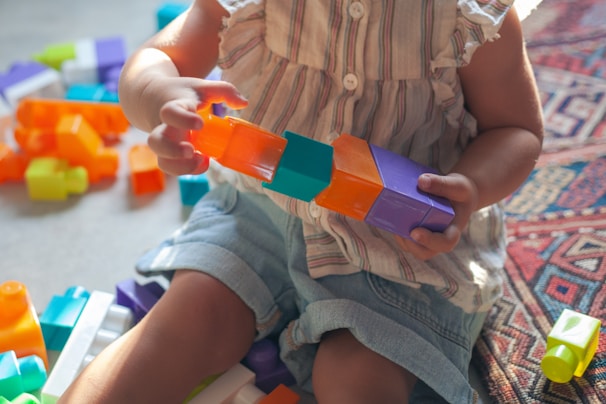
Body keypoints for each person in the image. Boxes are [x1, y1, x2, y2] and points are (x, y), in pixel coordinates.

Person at [59, 0, 543, 403]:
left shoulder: (468, 17)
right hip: (261, 211)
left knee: (356, 377)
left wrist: (471, 187)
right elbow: (156, 60)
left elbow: (515, 130)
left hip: (398, 242)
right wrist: (160, 93)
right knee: (186, 322)